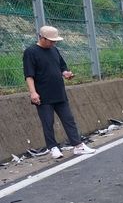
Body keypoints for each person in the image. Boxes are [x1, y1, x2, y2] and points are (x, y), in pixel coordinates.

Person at [23, 25, 96, 159]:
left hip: (59, 93)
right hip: (43, 95)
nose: (53, 43)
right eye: (51, 41)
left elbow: (62, 67)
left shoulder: (54, 50)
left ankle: (78, 146)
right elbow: (29, 75)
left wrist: (66, 73)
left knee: (69, 120)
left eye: (55, 41)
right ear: (42, 38)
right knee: (48, 122)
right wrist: (33, 93)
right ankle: (53, 148)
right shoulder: (30, 52)